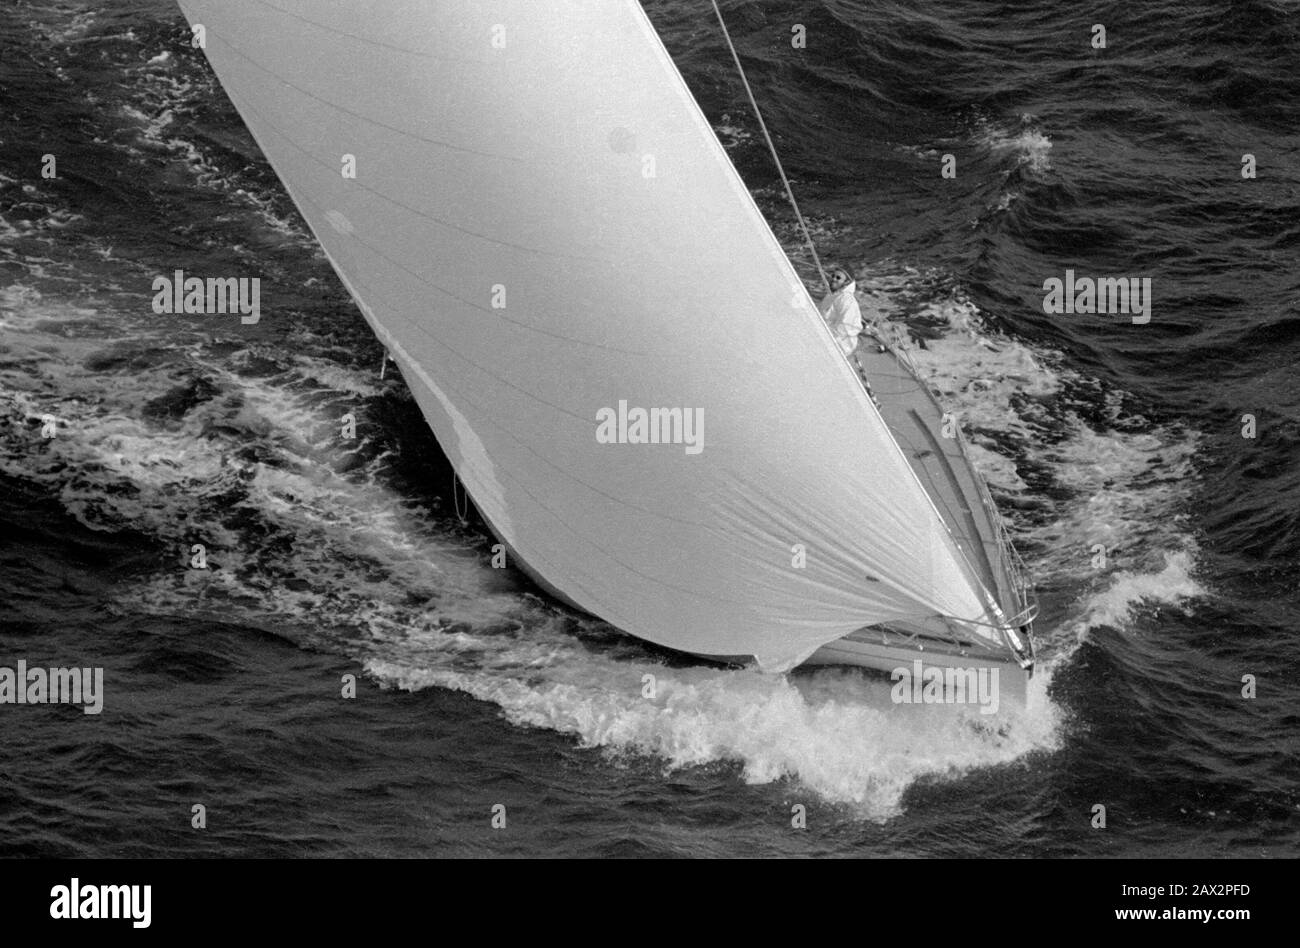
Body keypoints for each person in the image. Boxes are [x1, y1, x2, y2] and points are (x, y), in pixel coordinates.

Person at [817, 265, 864, 357]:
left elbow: (844, 328)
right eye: (833, 276)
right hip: (823, 335)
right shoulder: (832, 295)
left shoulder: (847, 301)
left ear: (846, 282)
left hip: (841, 346)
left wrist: (825, 338)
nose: (834, 279)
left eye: (838, 278)